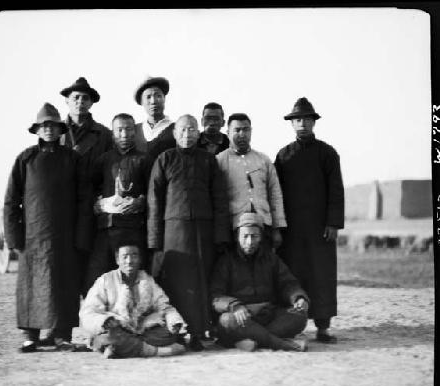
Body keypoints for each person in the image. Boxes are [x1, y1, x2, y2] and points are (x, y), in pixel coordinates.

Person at [3, 103, 92, 352]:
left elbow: (85, 200)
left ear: (60, 129)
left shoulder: (73, 159)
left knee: (65, 285)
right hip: (33, 236)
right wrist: (14, 237)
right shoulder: (26, 158)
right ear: (37, 130)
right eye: (44, 126)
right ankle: (30, 335)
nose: (49, 130)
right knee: (31, 286)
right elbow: (11, 200)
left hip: (65, 236)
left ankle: (61, 335)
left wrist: (81, 237)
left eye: (53, 125)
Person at [147, 114, 230, 351]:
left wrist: (220, 235)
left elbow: (219, 198)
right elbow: (154, 201)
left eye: (192, 130)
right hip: (174, 231)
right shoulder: (165, 159)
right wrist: (155, 241)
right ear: (174, 133)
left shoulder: (208, 161)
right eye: (182, 130)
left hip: (203, 230)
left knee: (203, 281)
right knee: (178, 283)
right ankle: (179, 332)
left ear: (198, 132)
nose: (187, 134)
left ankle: (201, 330)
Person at [274, 97, 345, 343]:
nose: (301, 123)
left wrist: (333, 223)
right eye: (296, 120)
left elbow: (336, 191)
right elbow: (276, 193)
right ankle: (295, 325)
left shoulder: (327, 154)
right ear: (291, 124)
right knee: (294, 275)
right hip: (292, 230)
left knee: (321, 274)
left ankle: (323, 327)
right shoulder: (283, 156)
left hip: (319, 230)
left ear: (313, 122)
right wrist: (278, 227)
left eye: (305, 119)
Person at [210, 212, 309, 352]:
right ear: (237, 237)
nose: (249, 242)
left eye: (254, 236)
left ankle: (250, 341)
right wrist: (234, 306)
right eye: (245, 236)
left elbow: (288, 283)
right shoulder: (226, 261)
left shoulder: (271, 259)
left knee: (299, 316)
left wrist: (298, 298)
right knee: (227, 321)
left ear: (261, 237)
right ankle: (280, 344)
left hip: (268, 315)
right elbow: (215, 296)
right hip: (242, 317)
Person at [82, 113, 150, 296]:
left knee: (132, 280)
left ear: (135, 132)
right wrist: (96, 203)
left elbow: (154, 190)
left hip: (133, 229)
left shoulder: (144, 160)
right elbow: (90, 188)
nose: (124, 134)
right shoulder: (103, 160)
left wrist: (141, 201)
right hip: (106, 229)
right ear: (113, 134)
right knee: (96, 277)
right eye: (119, 130)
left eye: (129, 129)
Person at [80, 243, 187, 358]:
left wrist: (173, 321)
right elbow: (88, 312)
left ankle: (121, 348)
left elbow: (164, 306)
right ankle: (159, 351)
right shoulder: (105, 280)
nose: (129, 261)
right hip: (117, 330)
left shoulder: (147, 280)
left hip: (142, 331)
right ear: (117, 260)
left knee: (168, 333)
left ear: (140, 259)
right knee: (108, 337)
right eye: (125, 257)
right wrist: (105, 320)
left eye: (134, 256)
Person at [216, 113, 287, 249]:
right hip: (234, 227)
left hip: (263, 226)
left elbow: (275, 194)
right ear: (228, 132)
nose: (242, 134)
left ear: (251, 131)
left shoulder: (263, 160)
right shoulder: (219, 161)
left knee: (264, 267)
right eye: (237, 130)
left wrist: (277, 228)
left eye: (246, 129)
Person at [133, 76, 176, 163]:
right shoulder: (134, 130)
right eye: (148, 97)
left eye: (158, 96)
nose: (153, 101)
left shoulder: (177, 130)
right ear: (142, 102)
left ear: (164, 99)